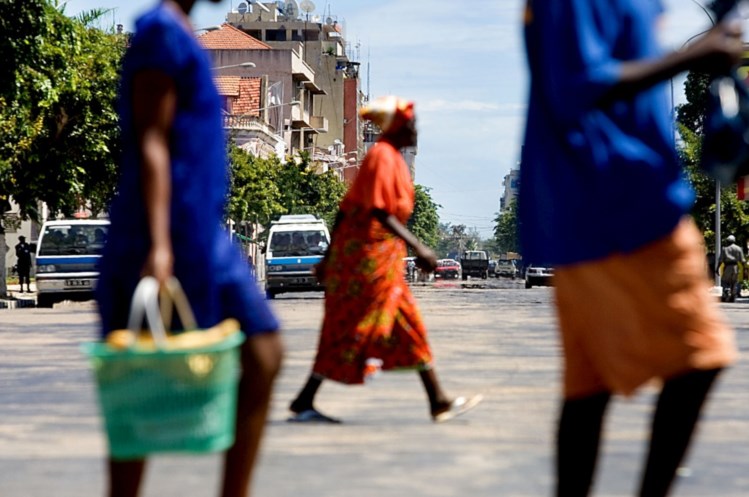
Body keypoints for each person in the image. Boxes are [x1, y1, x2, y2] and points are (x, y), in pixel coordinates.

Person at [520, 3, 741, 496]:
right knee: (702, 353)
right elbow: (578, 85)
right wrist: (694, 55)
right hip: (624, 199)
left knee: (588, 387)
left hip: (591, 204)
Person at [95, 1, 283, 496]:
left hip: (203, 234)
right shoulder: (161, 33)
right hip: (161, 232)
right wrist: (159, 246)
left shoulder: (178, 32)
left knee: (265, 352)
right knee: (136, 387)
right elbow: (152, 140)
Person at [287, 96, 482, 424]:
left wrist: (328, 257)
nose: (416, 130)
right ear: (395, 127)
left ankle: (437, 400)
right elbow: (376, 210)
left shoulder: (393, 159)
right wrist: (419, 247)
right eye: (411, 124)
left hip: (383, 260)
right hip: (364, 260)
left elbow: (345, 210)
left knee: (407, 324)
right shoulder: (381, 156)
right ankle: (305, 399)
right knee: (350, 325)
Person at [718, 234, 745, 302]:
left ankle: (726, 292)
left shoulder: (724, 249)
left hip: (727, 267)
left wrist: (717, 268)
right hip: (735, 267)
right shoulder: (738, 248)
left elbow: (720, 260)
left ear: (728, 241)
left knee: (724, 281)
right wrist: (744, 269)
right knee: (734, 282)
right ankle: (733, 295)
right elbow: (742, 260)